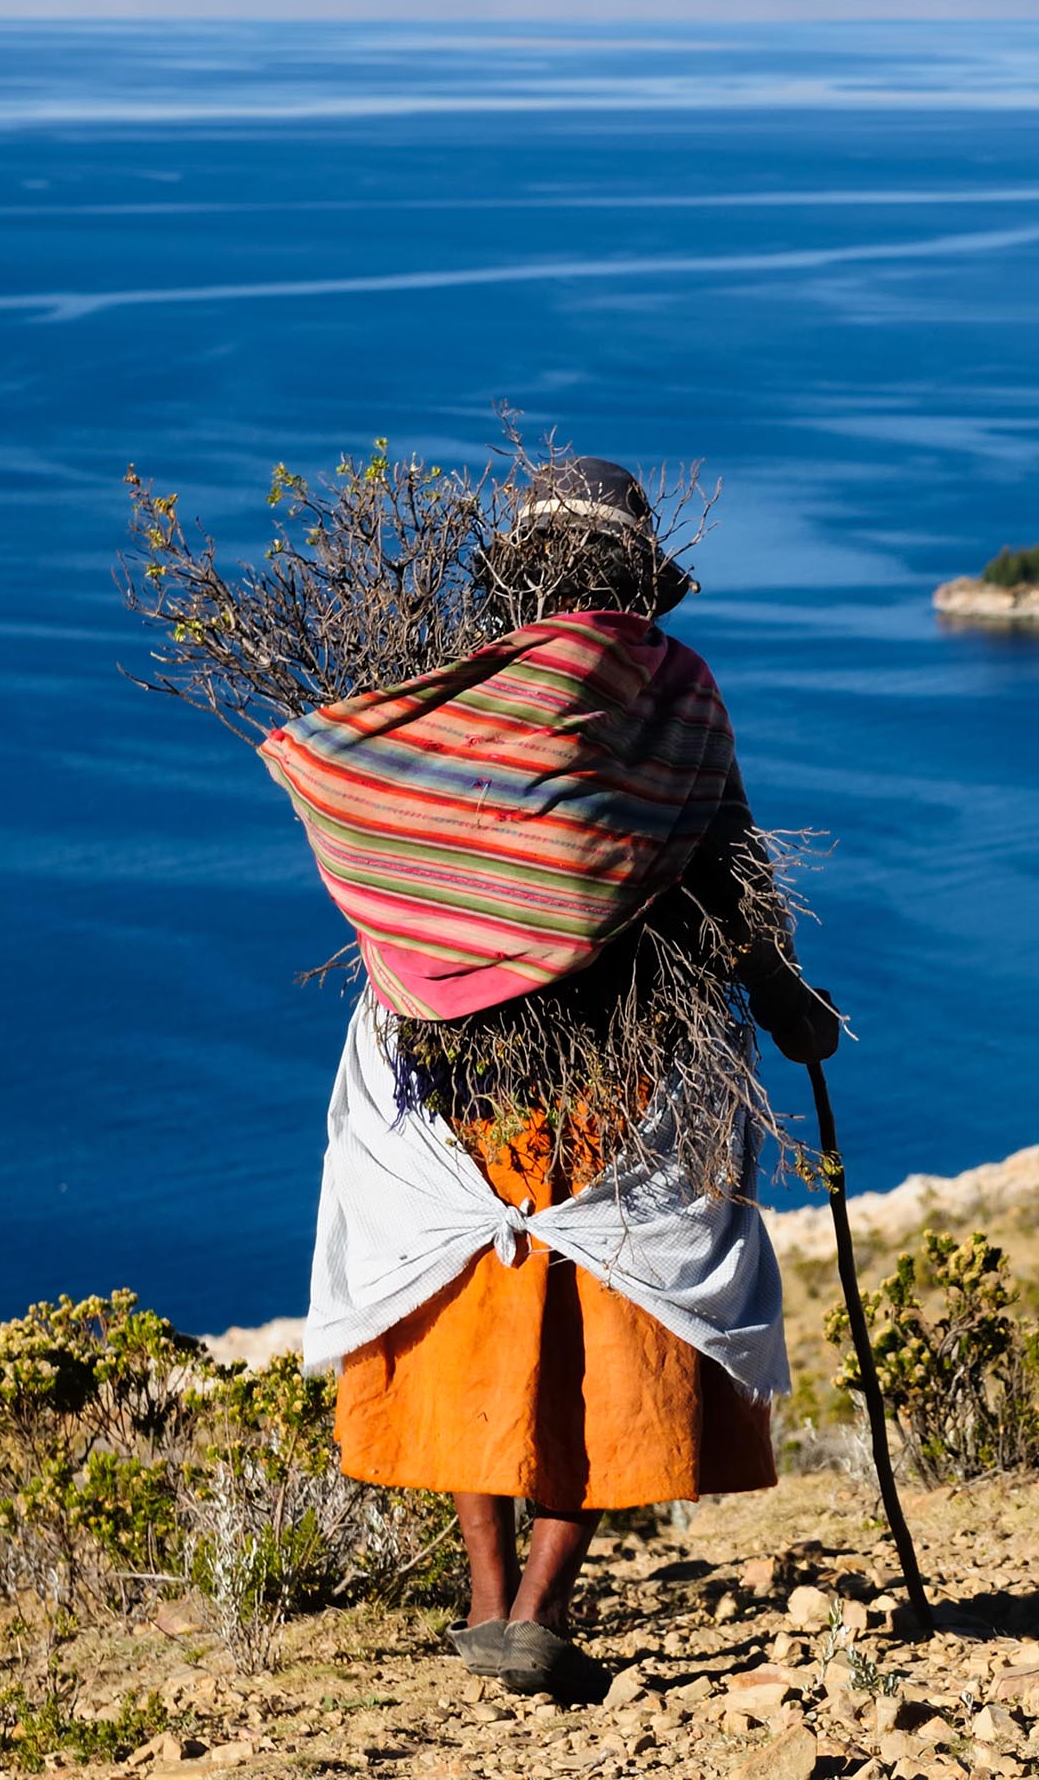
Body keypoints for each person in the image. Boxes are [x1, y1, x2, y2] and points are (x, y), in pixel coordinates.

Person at [271, 457, 841, 1699]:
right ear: (637, 574)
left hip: (447, 1073)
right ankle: (535, 1603)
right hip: (627, 1070)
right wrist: (787, 999)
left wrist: (448, 945)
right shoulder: (678, 687)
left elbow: (353, 796)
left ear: (521, 576)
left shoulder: (443, 698)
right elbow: (731, 861)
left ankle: (488, 1598)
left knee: (470, 1314)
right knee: (614, 1319)